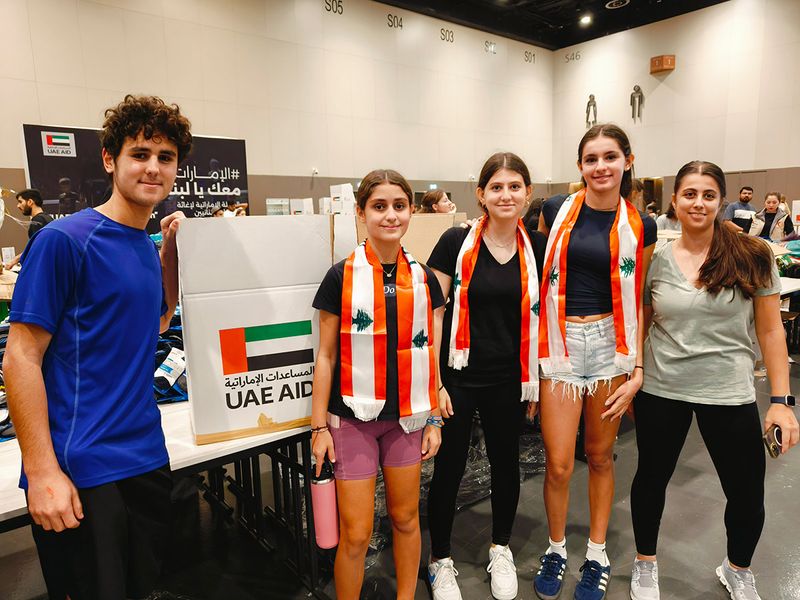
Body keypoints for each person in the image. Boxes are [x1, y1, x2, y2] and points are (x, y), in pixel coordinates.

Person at [2, 94, 192, 600]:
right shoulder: (65, 241)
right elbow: (20, 356)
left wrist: (169, 255)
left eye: (166, 157)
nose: (153, 167)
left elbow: (155, 323)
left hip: (146, 459)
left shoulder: (144, 247)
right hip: (83, 468)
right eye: (140, 154)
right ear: (110, 160)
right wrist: (41, 470)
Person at [628, 161, 799, 600]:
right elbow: (642, 321)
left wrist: (780, 399)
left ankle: (738, 568)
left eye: (708, 194)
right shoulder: (655, 259)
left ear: (721, 200)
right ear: (675, 200)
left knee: (745, 493)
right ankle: (645, 563)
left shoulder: (752, 254)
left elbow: (770, 330)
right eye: (689, 194)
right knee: (650, 480)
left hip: (728, 391)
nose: (698, 203)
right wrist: (635, 373)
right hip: (662, 390)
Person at [310, 169, 445, 600]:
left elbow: (432, 357)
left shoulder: (425, 279)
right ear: (360, 212)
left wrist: (435, 418)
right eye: (379, 206)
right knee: (356, 534)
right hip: (352, 421)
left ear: (410, 211)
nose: (390, 216)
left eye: (399, 206)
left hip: (407, 419)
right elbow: (326, 356)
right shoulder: (340, 277)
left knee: (406, 519)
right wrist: (317, 428)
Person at [534, 124, 656, 600]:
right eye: (591, 158)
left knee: (601, 455)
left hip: (611, 344)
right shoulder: (552, 210)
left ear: (627, 159)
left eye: (610, 156)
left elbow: (641, 295)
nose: (600, 166)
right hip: (561, 343)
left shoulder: (640, 223)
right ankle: (557, 546)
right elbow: (539, 274)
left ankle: (598, 553)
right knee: (560, 463)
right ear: (580, 165)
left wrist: (637, 365)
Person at [426, 152, 546, 600]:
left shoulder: (535, 247)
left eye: (515, 186)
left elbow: (542, 315)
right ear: (481, 195)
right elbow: (432, 316)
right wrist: (434, 382)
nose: (506, 194)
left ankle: (501, 548)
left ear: (528, 193)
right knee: (450, 468)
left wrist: (536, 375)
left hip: (509, 379)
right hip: (457, 377)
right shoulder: (454, 242)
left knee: (505, 465)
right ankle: (440, 560)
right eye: (496, 187)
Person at [3, 189, 54, 269]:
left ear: (30, 202)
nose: (18, 206)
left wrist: (14, 261)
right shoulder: (47, 218)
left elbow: (35, 248)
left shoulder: (37, 221)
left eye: (20, 202)